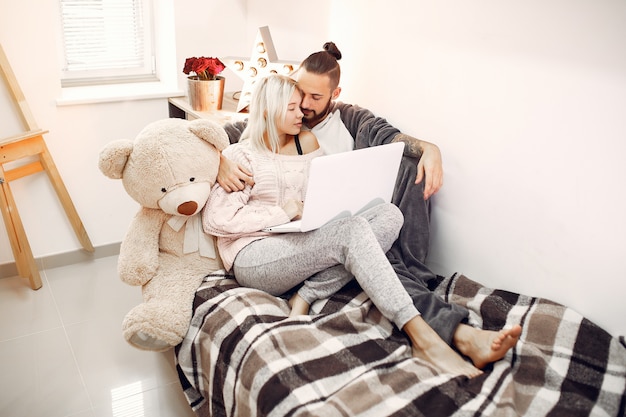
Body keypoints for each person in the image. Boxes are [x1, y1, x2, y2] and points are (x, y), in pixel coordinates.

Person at [204, 73, 519, 377]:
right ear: (270, 109)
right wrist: (283, 212)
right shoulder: (240, 155)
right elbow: (218, 220)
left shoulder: (307, 143)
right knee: (352, 232)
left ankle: (309, 293)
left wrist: (328, 208)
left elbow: (319, 195)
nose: (303, 113)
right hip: (253, 256)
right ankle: (424, 339)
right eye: (293, 108)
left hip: (295, 242)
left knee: (389, 215)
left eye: (304, 104)